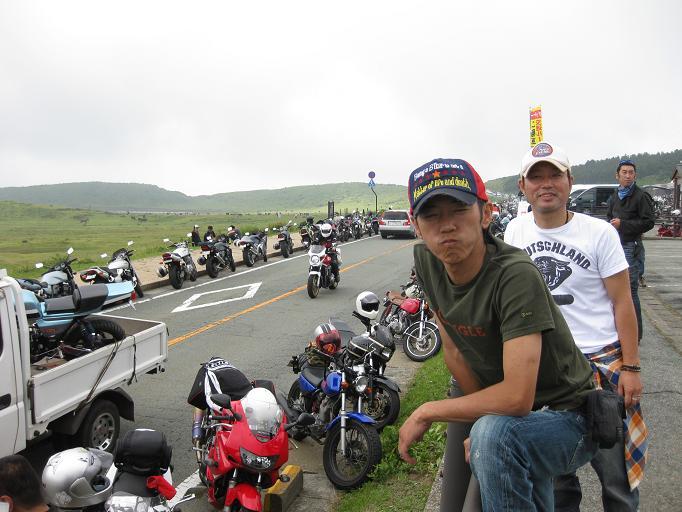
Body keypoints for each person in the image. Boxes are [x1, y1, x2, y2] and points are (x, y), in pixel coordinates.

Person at [398, 158, 597, 511]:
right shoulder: (428, 262)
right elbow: (455, 351)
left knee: (495, 439)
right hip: (511, 414)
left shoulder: (515, 275)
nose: (447, 225)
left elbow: (518, 397)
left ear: (486, 214)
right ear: (416, 225)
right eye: (431, 215)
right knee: (492, 439)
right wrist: (482, 422)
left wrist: (427, 411)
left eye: (459, 210)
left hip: (569, 416)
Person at [505, 141, 648, 511]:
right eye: (536, 177)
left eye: (554, 175)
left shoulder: (599, 233)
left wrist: (631, 368)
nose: (546, 183)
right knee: (557, 483)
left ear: (569, 181)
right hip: (546, 370)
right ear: (523, 186)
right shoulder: (514, 232)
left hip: (601, 366)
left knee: (616, 479)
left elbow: (623, 302)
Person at [606, 159, 655, 341]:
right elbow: (609, 216)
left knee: (630, 290)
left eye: (631, 172)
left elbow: (649, 222)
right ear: (617, 175)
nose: (628, 176)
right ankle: (619, 330)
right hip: (615, 245)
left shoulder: (641, 196)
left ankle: (635, 335)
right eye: (624, 172)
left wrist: (623, 224)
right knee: (615, 290)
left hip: (631, 246)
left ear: (635, 175)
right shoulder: (615, 195)